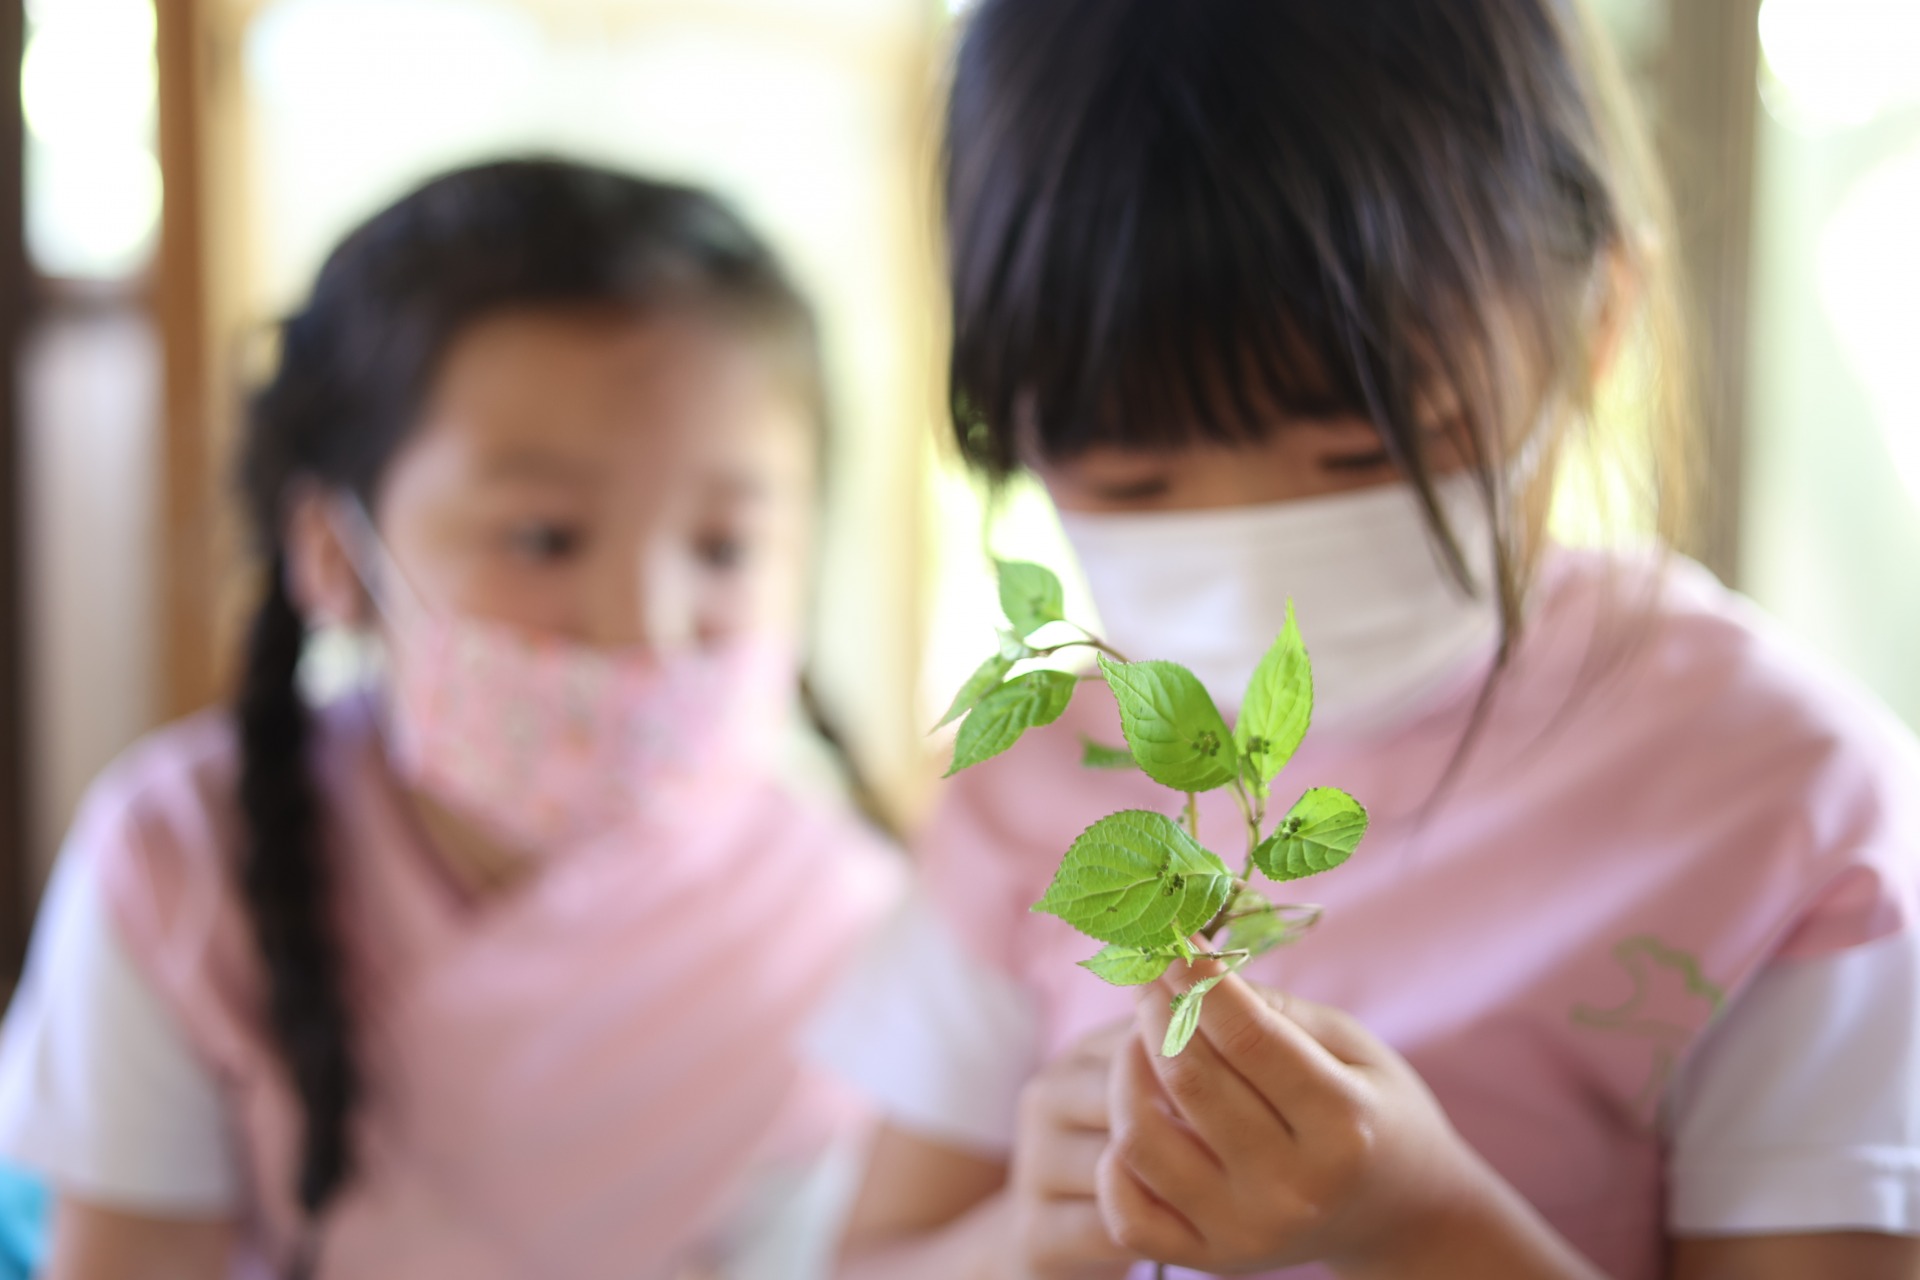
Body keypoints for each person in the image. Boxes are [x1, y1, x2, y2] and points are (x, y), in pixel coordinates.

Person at [827, 2, 1920, 1277]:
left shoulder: (1781, 804)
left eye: (1367, 456)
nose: (1255, 556)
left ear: (1595, 319)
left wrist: (1427, 1228)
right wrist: (1027, 1233)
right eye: (1135, 483)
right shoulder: (1034, 776)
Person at [0, 158, 902, 1280]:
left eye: (722, 548)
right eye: (544, 537)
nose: (645, 627)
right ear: (336, 553)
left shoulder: (859, 943)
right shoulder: (176, 859)